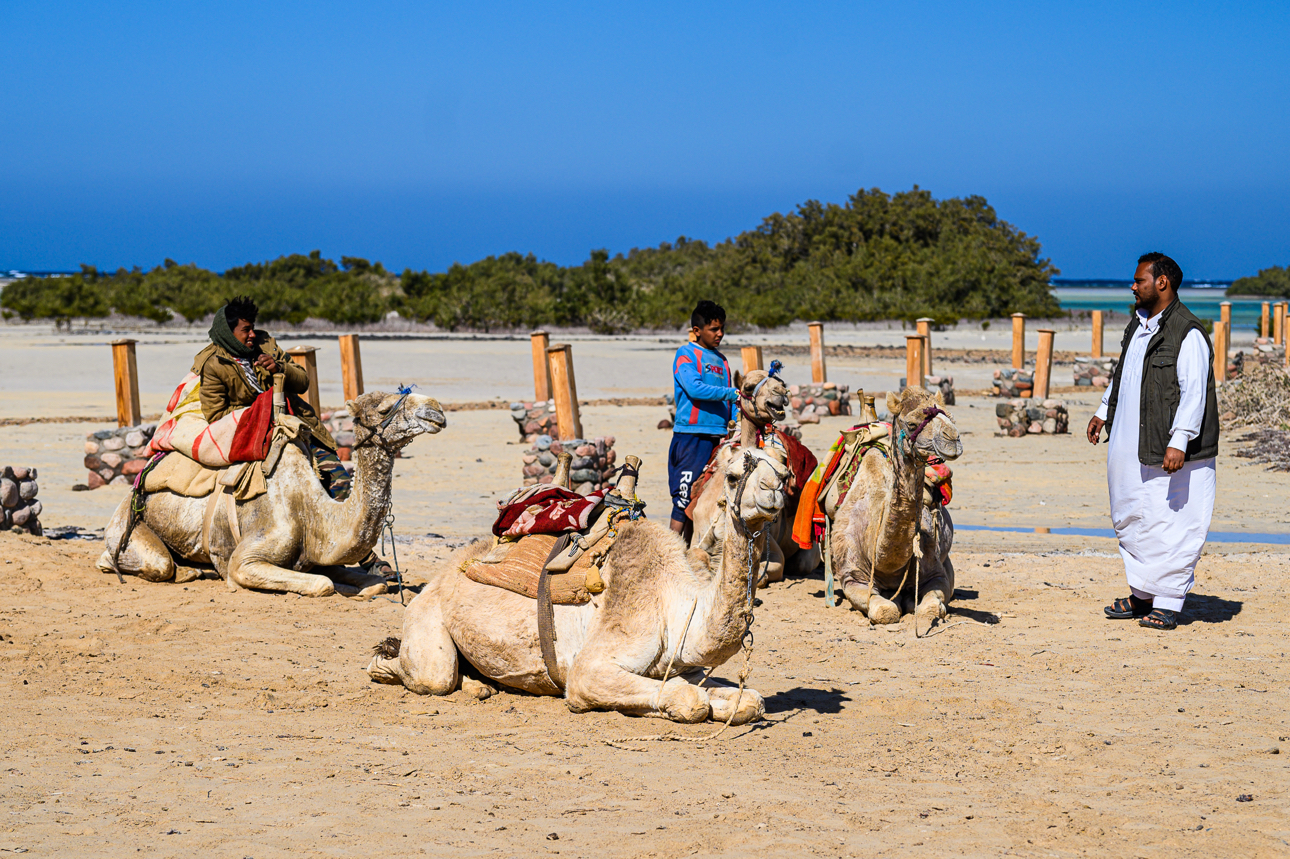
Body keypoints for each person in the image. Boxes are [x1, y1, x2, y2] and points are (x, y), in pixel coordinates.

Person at [1086, 253, 1218, 630]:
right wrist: (1103, 411)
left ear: (1162, 283)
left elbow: (1195, 392)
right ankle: (1142, 594)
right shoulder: (1138, 324)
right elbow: (1124, 373)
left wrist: (1180, 440)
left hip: (1170, 448)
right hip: (1129, 443)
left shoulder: (1187, 332)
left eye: (1139, 280)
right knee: (1131, 515)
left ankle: (1169, 601)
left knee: (1173, 523)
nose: (1133, 286)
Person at [668, 300, 739, 535]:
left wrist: (734, 426)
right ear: (697, 331)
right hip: (691, 436)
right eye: (714, 329)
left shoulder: (722, 360)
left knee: (704, 498)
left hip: (718, 437)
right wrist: (732, 393)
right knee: (683, 499)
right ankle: (672, 549)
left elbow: (731, 402)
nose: (720, 334)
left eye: (722, 328)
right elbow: (695, 389)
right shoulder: (686, 354)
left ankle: (692, 548)